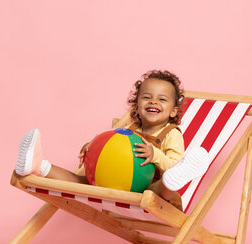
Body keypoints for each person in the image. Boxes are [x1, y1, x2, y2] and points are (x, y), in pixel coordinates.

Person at [14, 70, 209, 211]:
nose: (153, 101)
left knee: (159, 188)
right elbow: (109, 151)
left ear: (174, 111)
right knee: (81, 182)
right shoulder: (129, 129)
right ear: (137, 104)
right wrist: (91, 150)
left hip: (149, 191)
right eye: (146, 97)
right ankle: (37, 166)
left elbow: (173, 164)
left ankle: (169, 183)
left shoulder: (171, 134)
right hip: (116, 185)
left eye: (162, 99)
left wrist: (155, 154)